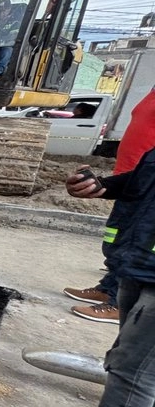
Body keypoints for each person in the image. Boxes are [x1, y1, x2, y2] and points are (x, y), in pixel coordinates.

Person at [18, 146, 155, 407]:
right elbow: (146, 181)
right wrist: (106, 186)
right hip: (138, 263)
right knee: (140, 364)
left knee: (133, 370)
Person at [63, 88, 155, 324]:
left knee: (143, 253)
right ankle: (112, 289)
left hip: (146, 191)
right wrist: (106, 186)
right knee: (120, 241)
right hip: (138, 181)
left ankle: (122, 304)